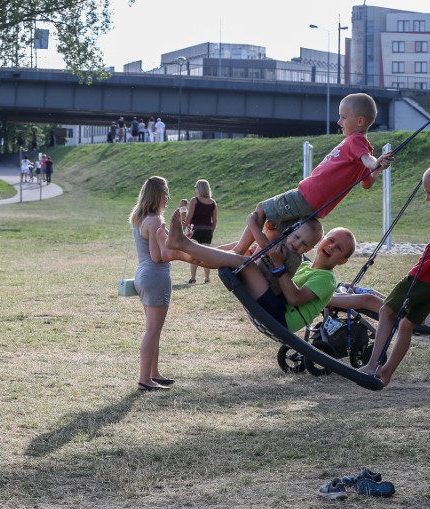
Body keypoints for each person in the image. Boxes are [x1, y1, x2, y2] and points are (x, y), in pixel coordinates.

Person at [231, 93, 393, 259]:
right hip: (317, 208)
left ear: (360, 121)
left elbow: (368, 161)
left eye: (343, 117)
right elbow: (366, 183)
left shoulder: (356, 141)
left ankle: (238, 252)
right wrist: (378, 168)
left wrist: (375, 164)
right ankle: (258, 261)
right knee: (278, 231)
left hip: (307, 196)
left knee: (261, 210)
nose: (339, 122)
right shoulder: (362, 150)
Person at [357, 162, 430, 386]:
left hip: (424, 276)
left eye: (429, 192)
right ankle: (387, 372)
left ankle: (372, 365)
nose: (427, 198)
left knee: (386, 311)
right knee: (406, 325)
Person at [165, 210, 355, 334]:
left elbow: (294, 299)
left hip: (281, 319)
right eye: (330, 240)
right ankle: (177, 252)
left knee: (243, 262)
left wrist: (277, 263)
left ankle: (183, 244)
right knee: (234, 255)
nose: (331, 246)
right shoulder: (306, 265)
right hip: (275, 308)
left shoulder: (326, 278)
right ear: (321, 243)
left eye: (338, 248)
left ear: (343, 260)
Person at [329, 259, 430, 330]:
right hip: (422, 313)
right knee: (373, 295)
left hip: (423, 319)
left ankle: (326, 299)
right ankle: (342, 293)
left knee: (369, 300)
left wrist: (419, 300)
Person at [129, 176, 175, 391]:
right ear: (158, 195)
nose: (168, 197)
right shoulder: (156, 221)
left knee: (153, 329)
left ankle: (153, 373)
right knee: (152, 331)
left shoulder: (139, 218)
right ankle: (144, 380)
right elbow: (159, 256)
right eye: (166, 193)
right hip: (156, 276)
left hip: (143, 275)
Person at [185, 179, 219, 284]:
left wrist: (184, 226)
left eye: (196, 187)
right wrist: (211, 230)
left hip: (196, 229)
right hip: (207, 230)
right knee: (206, 254)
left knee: (194, 254)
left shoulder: (195, 200)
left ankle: (193, 278)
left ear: (199, 188)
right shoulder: (213, 202)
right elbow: (215, 220)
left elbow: (189, 217)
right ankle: (207, 278)